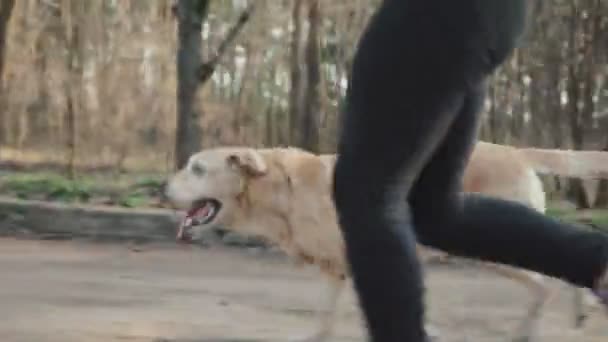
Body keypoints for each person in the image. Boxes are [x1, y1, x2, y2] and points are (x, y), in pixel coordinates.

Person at [331, 1, 608, 341]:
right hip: (484, 16)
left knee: (367, 193)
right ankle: (599, 261)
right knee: (433, 210)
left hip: (441, 15)